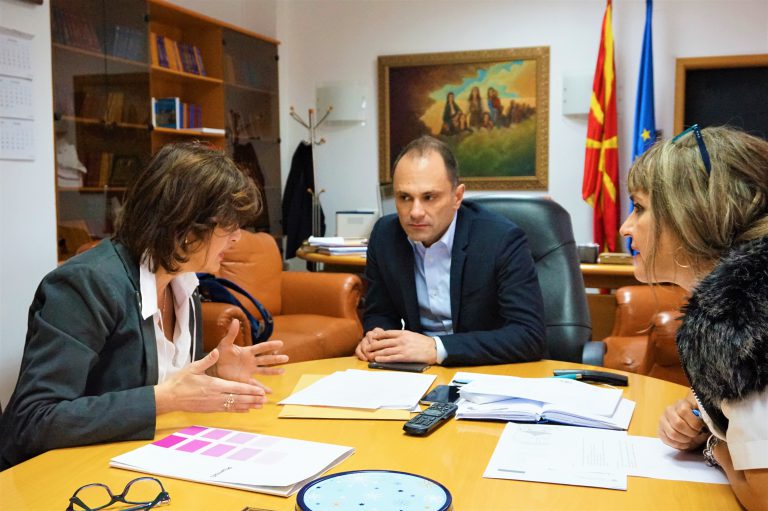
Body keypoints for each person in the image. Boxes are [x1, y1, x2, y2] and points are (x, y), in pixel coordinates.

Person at [0, 142, 289, 469]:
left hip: (138, 460)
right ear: (185, 224)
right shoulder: (86, 285)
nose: (237, 237)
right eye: (228, 226)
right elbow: (32, 421)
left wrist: (213, 372)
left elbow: (162, 382)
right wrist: (166, 399)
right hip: (63, 474)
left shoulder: (184, 281)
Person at [619, 125, 768, 510]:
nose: (625, 228)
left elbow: (763, 496)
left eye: (639, 208)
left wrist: (714, 444)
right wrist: (702, 413)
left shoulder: (742, 321)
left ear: (691, 215)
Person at [355, 136, 545, 366]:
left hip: (486, 370)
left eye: (429, 197)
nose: (415, 212)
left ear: (457, 197)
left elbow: (528, 335)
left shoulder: (501, 240)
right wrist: (378, 337)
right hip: (415, 371)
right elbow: (380, 312)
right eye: (404, 197)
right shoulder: (385, 236)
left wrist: (437, 348)